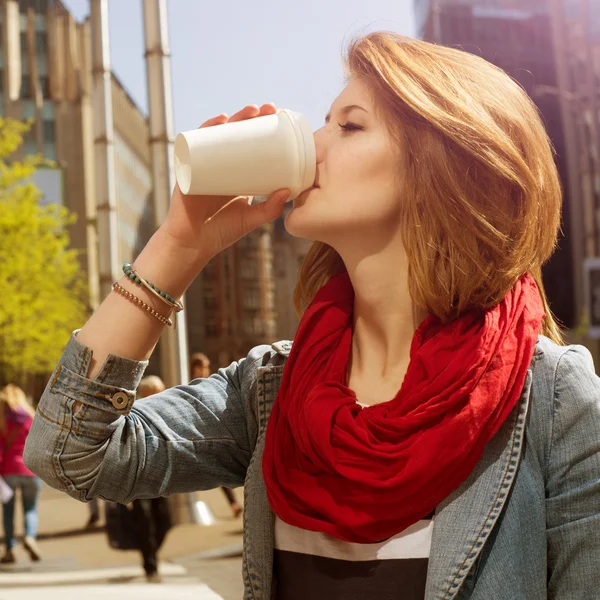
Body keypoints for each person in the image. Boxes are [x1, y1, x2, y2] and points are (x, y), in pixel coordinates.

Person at [23, 32, 600, 599]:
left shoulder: (553, 403)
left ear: (449, 163)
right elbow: (70, 455)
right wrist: (178, 246)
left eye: (349, 125)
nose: (315, 144)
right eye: (325, 121)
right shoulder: (272, 390)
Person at [127, 375, 172, 583]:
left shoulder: (167, 412)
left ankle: (151, 549)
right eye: (158, 390)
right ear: (147, 392)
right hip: (137, 480)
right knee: (145, 522)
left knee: (165, 520)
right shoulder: (132, 414)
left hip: (161, 478)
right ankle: (150, 565)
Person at [190, 353, 243, 519]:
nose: (206, 369)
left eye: (207, 366)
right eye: (203, 366)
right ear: (195, 368)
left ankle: (234, 504)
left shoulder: (212, 382)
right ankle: (229, 504)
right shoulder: (191, 385)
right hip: (202, 434)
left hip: (217, 430)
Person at [0, 385, 42, 564]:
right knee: (30, 508)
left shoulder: (2, 420)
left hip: (8, 471)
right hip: (30, 470)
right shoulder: (32, 418)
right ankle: (30, 537)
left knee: (8, 512)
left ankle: (9, 548)